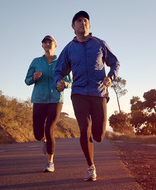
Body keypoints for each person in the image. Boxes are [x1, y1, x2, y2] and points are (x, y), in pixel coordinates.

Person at [54, 11, 120, 181]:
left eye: (85, 21)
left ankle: (95, 140)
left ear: (89, 25)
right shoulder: (69, 48)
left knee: (98, 136)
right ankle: (91, 167)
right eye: (79, 21)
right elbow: (59, 70)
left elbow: (115, 62)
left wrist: (110, 76)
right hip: (79, 94)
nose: (82, 23)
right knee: (84, 129)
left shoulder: (99, 44)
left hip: (99, 94)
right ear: (73, 26)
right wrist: (58, 82)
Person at [25, 35, 71, 173]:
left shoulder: (62, 61)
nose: (47, 44)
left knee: (49, 128)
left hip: (56, 99)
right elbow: (27, 80)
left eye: (50, 42)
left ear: (55, 45)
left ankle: (50, 162)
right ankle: (43, 140)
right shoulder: (36, 61)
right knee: (38, 134)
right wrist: (33, 77)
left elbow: (69, 80)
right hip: (39, 99)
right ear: (42, 46)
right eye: (44, 42)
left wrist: (65, 84)